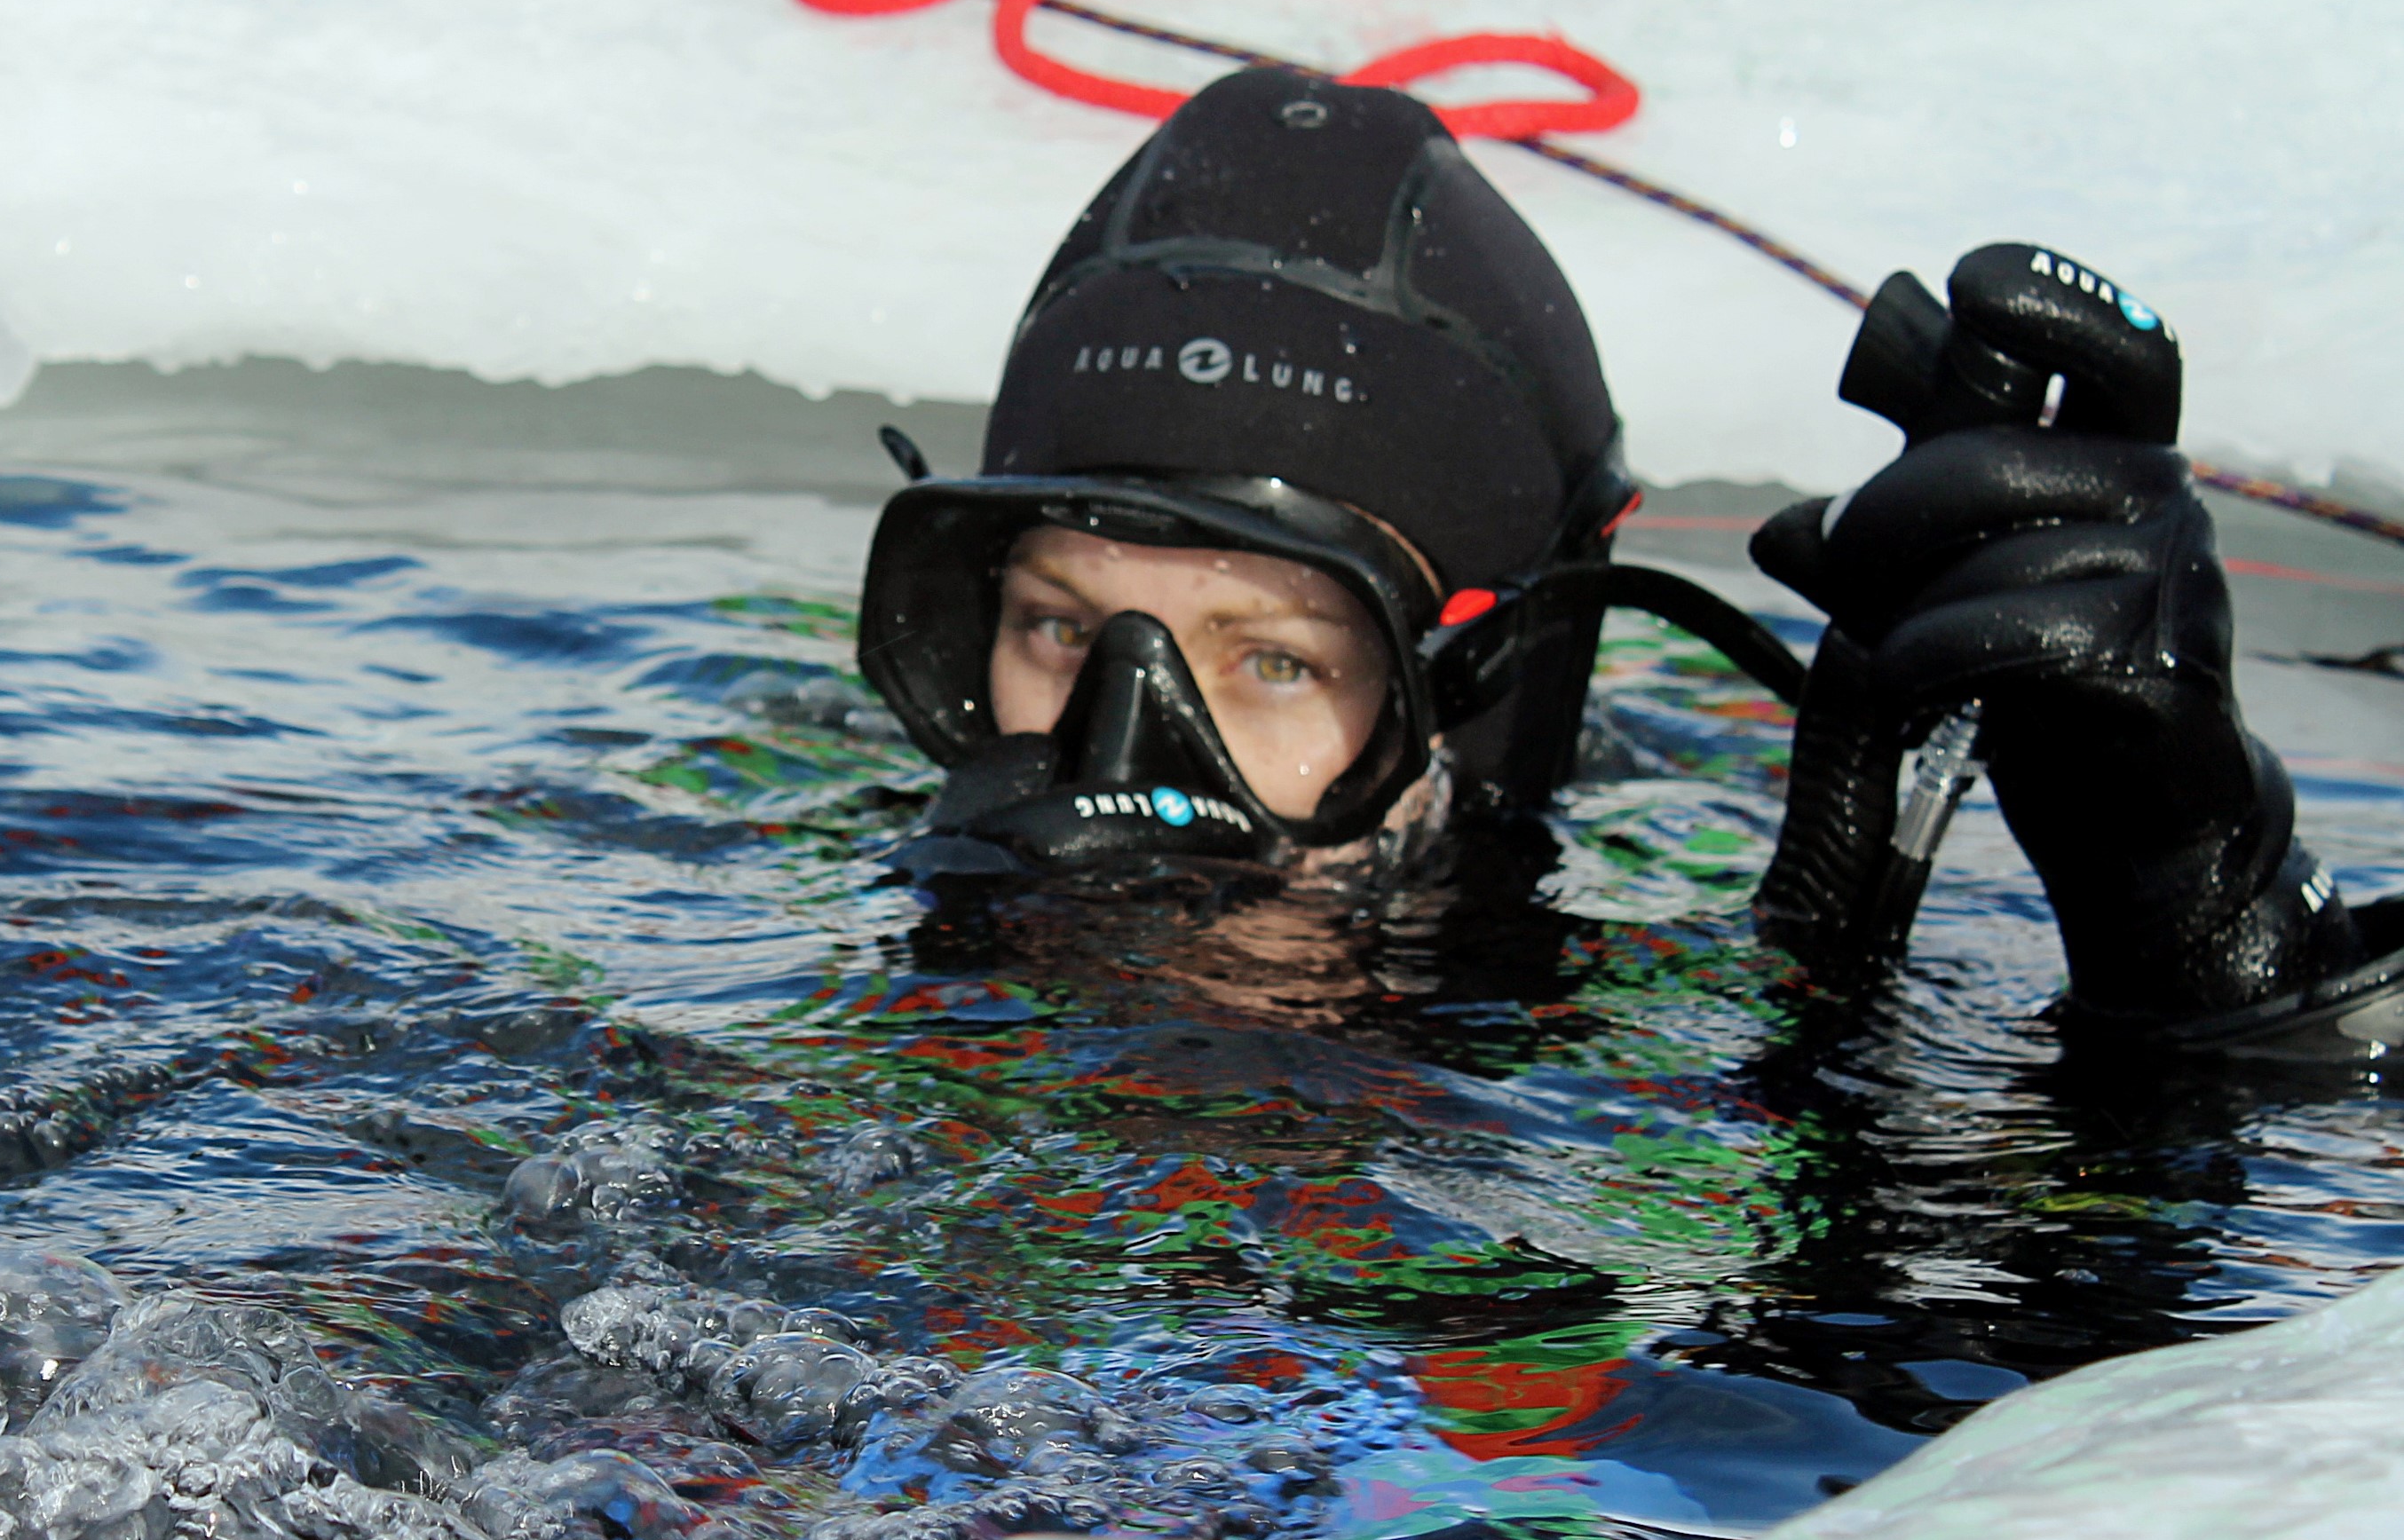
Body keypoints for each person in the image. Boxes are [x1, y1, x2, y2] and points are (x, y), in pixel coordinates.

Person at [853, 65, 2404, 1060]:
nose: (1117, 753)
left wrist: (2201, 942)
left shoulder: (1634, 1042)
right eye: (1059, 628)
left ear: (1477, 689)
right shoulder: (788, 925)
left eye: (1277, 657)